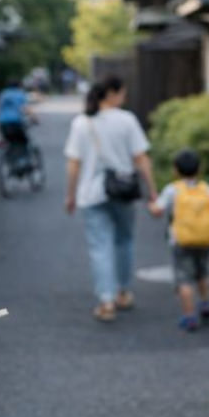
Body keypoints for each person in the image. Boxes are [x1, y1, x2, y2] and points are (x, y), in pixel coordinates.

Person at [64, 76, 158, 322]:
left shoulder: (82, 123)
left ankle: (106, 301)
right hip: (123, 190)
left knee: (100, 246)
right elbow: (141, 159)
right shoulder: (127, 120)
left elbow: (74, 164)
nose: (123, 98)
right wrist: (152, 191)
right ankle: (123, 292)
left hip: (91, 193)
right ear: (112, 93)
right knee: (124, 240)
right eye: (123, 93)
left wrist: (70, 195)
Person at [149, 149, 209, 332]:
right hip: (206, 240)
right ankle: (206, 303)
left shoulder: (172, 190)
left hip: (181, 243)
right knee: (203, 274)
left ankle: (189, 316)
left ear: (175, 170)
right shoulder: (208, 189)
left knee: (184, 280)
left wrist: (151, 205)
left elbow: (157, 211)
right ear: (199, 170)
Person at [0, 79, 37, 167]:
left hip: (2, 123)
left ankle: (11, 162)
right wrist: (34, 119)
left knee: (9, 141)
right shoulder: (19, 94)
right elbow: (26, 109)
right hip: (16, 123)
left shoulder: (3, 94)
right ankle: (23, 161)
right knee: (23, 141)